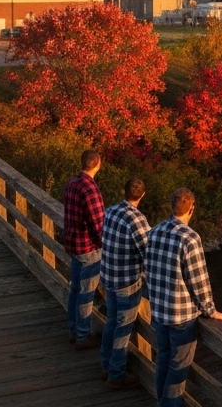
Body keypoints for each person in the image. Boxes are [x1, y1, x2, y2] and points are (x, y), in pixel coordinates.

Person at [144, 188, 222, 407]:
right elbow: (198, 281)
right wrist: (211, 310)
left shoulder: (154, 232)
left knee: (162, 359)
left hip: (159, 311)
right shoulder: (190, 238)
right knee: (178, 368)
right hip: (182, 317)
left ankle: (161, 401)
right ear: (192, 208)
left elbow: (148, 269)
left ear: (171, 206)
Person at [99, 178, 150, 389]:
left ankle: (106, 364)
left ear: (124, 191)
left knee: (111, 321)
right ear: (142, 195)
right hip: (127, 282)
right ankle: (116, 374)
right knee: (123, 328)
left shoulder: (110, 210)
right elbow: (149, 253)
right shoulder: (137, 220)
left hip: (108, 276)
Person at [61, 150, 105, 349]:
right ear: (97, 164)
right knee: (86, 294)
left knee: (75, 290)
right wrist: (108, 246)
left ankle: (73, 330)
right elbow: (99, 224)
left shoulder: (72, 183)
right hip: (88, 249)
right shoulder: (90, 189)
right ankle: (82, 336)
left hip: (73, 245)